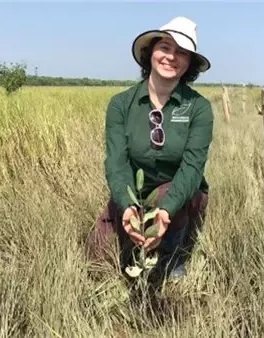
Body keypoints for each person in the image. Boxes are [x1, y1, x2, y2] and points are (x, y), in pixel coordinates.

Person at [86, 16, 214, 283]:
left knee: (166, 199)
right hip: (134, 190)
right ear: (150, 52)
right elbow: (117, 162)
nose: (171, 57)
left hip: (178, 194)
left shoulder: (198, 108)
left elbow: (192, 167)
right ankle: (136, 230)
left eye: (181, 52)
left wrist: (165, 212)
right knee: (97, 257)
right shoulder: (121, 104)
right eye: (165, 47)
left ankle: (174, 253)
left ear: (189, 63)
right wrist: (127, 205)